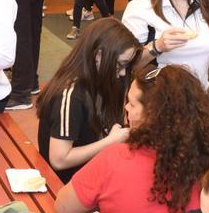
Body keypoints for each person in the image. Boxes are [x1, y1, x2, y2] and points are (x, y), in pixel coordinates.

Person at [56, 64, 209, 213]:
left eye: (132, 104)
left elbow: (63, 208)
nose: (125, 108)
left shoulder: (115, 160)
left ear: (153, 117)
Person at [37, 18, 137, 183]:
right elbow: (59, 160)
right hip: (67, 185)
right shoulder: (70, 94)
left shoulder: (100, 80)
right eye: (120, 64)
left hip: (90, 175)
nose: (123, 73)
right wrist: (110, 142)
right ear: (98, 55)